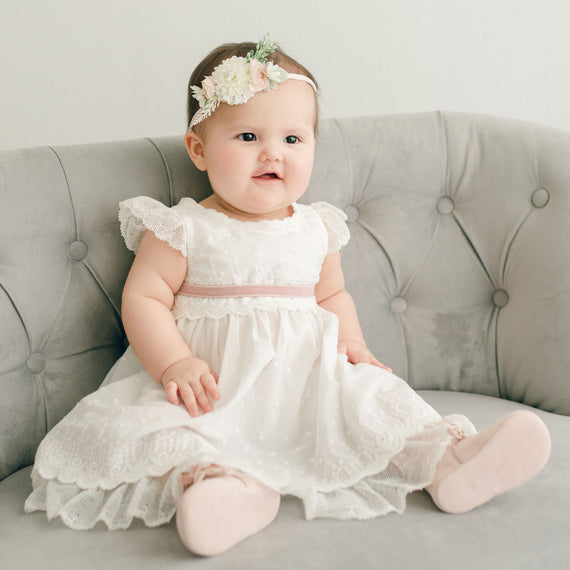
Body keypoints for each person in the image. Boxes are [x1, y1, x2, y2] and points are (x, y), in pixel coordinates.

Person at [25, 35, 551, 557]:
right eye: (249, 136)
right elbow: (144, 299)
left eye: (293, 140)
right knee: (179, 433)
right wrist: (173, 364)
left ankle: (450, 464)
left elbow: (334, 294)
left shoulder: (317, 227)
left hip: (310, 383)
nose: (273, 153)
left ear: (313, 148)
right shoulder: (183, 227)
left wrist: (354, 344)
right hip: (213, 386)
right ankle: (229, 490)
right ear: (199, 149)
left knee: (375, 404)